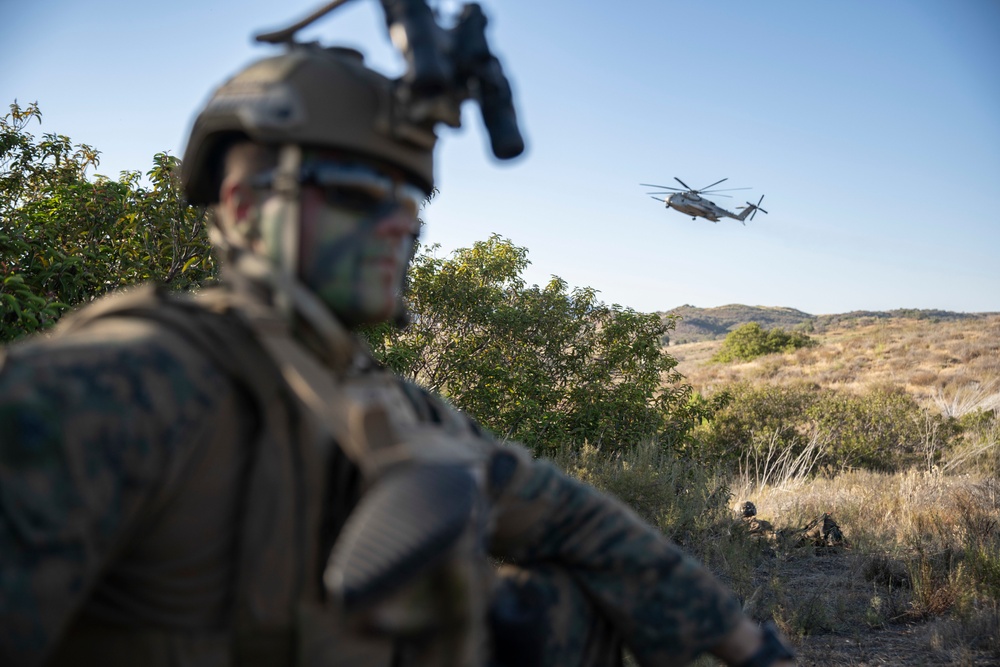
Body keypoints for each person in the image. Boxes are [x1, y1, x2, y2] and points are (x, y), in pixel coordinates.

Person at [0, 8, 795, 667]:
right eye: (357, 192)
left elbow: (571, 514)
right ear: (243, 205)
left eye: (411, 198)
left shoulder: (390, 404)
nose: (401, 224)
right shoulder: (105, 390)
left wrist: (751, 647)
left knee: (556, 607)